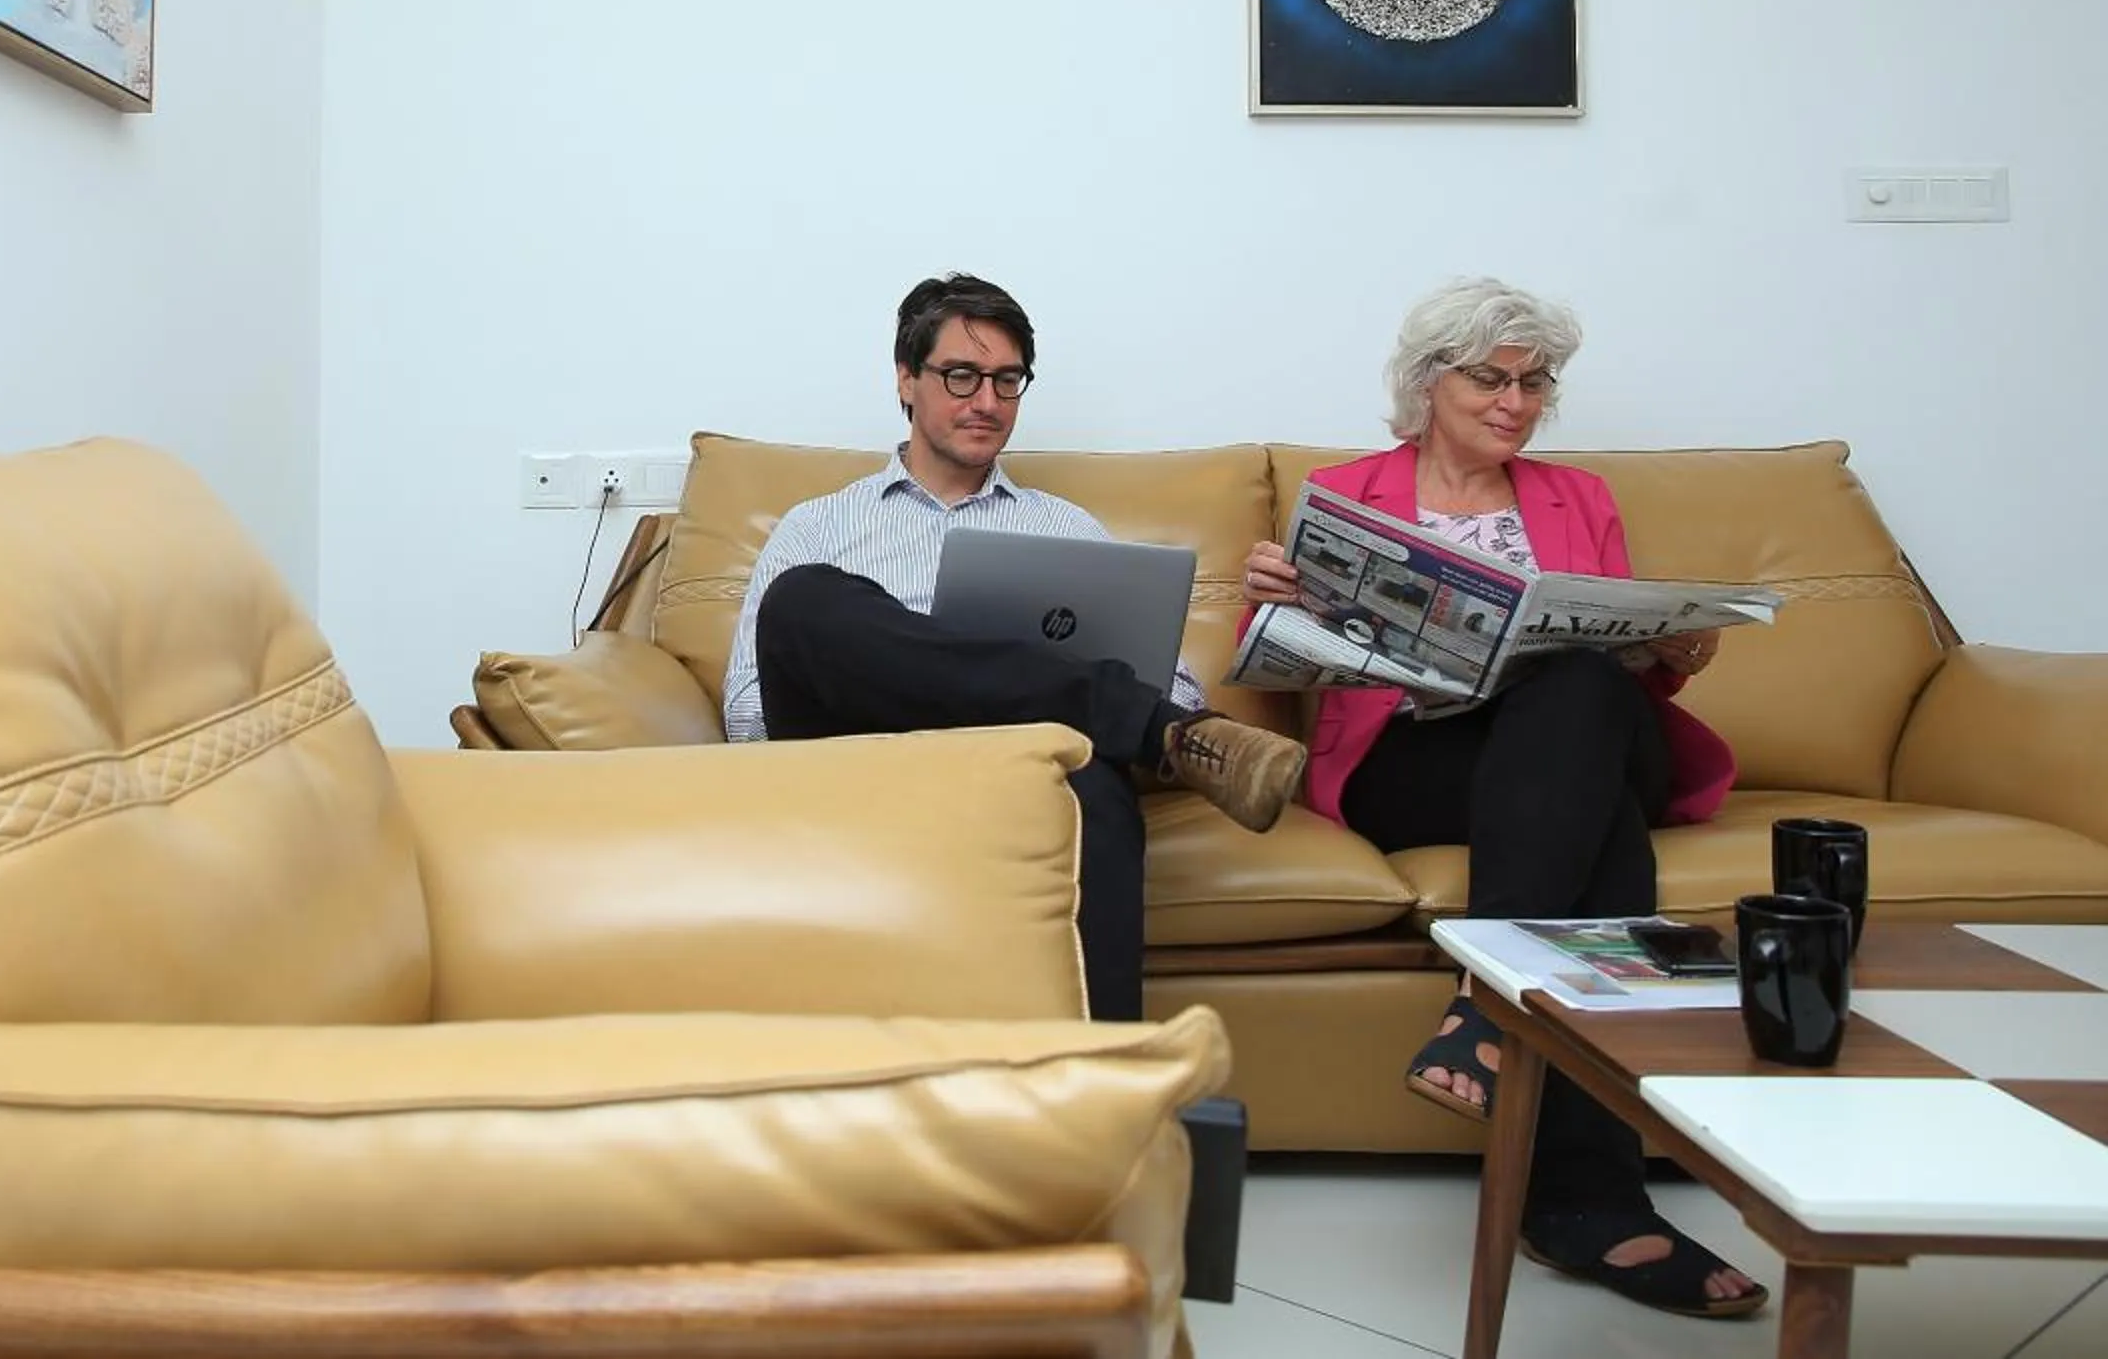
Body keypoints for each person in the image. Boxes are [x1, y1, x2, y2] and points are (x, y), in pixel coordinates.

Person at [1239, 277, 1765, 1321]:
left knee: (1573, 689)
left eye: (1535, 382)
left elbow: (1626, 672)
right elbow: (1282, 675)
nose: (1516, 402)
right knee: (1599, 831)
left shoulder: (1581, 500)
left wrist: (1676, 646)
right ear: (1430, 382)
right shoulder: (1350, 494)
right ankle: (1585, 1200)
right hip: (1418, 761)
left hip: (1576, 738)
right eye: (1491, 377)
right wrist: (1277, 601)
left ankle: (1486, 1004)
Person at [723, 273, 1308, 1022]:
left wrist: (1010, 696)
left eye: (1007, 380)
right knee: (805, 599)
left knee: (1096, 778)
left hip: (1017, 771)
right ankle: (1159, 735)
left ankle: (1106, 1081)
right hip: (860, 762)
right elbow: (748, 713)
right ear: (907, 380)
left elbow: (1183, 688)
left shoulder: (1063, 528)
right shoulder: (819, 525)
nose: (987, 402)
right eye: (961, 376)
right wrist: (904, 667)